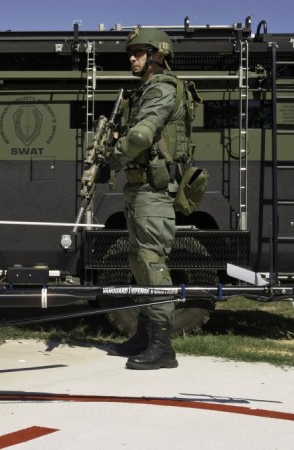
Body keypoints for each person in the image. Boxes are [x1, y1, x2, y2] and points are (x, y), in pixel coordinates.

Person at [104, 27, 195, 370]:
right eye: (132, 52)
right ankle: (144, 336)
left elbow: (142, 136)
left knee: (152, 263)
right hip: (140, 189)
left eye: (139, 52)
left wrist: (114, 156)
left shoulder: (161, 88)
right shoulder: (146, 90)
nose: (132, 57)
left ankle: (162, 347)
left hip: (153, 192)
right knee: (139, 261)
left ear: (158, 54)